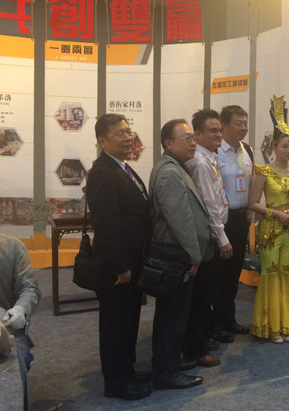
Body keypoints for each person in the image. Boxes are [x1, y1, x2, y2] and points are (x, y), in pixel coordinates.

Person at [86, 113, 152, 400]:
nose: (128, 138)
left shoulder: (122, 167)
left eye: (129, 132)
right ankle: (116, 383)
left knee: (129, 319)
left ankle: (127, 370)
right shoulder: (102, 173)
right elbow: (107, 225)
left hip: (133, 259)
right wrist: (121, 267)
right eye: (120, 134)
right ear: (103, 141)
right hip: (117, 265)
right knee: (115, 324)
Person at [148, 119, 211, 389]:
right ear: (168, 143)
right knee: (171, 318)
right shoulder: (169, 173)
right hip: (176, 255)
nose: (193, 143)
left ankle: (169, 362)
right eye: (187, 138)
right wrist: (194, 256)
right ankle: (166, 372)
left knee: (175, 315)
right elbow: (180, 220)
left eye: (193, 138)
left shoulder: (175, 167)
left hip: (178, 254)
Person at [249, 96, 289, 343]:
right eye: (284, 146)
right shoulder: (263, 172)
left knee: (287, 272)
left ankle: (286, 324)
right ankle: (270, 326)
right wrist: (277, 214)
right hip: (270, 229)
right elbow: (253, 203)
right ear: (273, 147)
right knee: (271, 274)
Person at [183, 109, 226, 368]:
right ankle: (196, 348)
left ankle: (202, 337)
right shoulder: (199, 162)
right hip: (208, 236)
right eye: (212, 131)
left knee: (206, 293)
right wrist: (222, 239)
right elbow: (209, 205)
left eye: (220, 130)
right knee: (201, 295)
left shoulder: (209, 157)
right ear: (197, 134)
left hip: (212, 233)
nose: (218, 134)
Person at [215, 105, 254, 340]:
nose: (243, 128)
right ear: (224, 125)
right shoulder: (215, 151)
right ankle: (215, 323)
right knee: (218, 275)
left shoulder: (247, 149)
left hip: (241, 219)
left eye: (245, 123)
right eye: (238, 123)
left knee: (234, 273)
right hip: (222, 220)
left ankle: (229, 319)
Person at [0, 234, 41, 411]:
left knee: (17, 363)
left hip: (6, 329)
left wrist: (20, 309)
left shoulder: (13, 248)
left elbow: (29, 288)